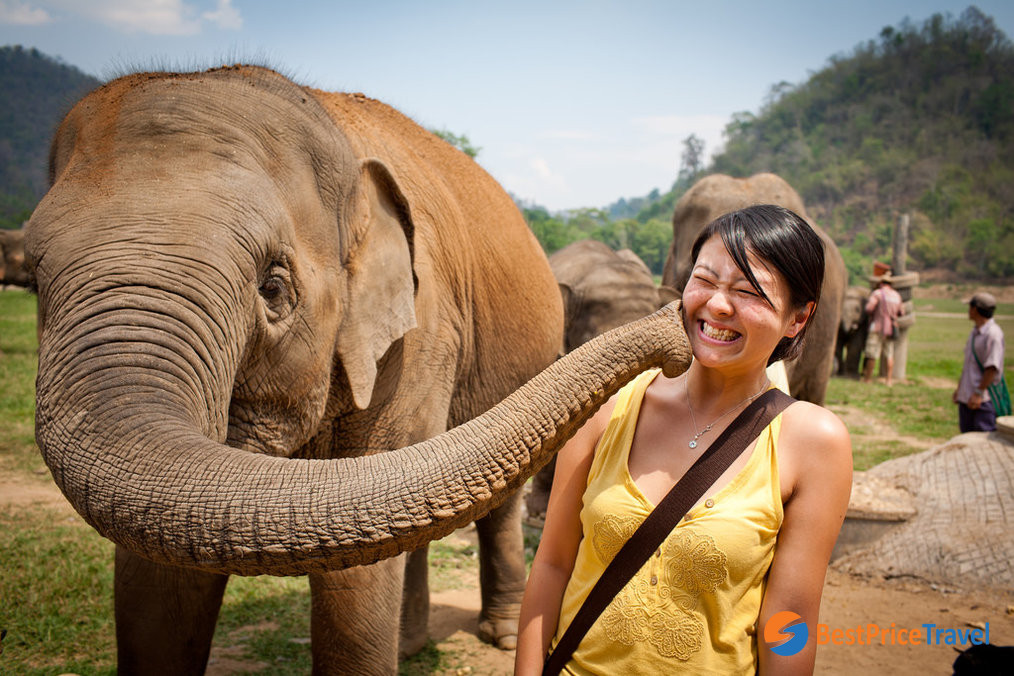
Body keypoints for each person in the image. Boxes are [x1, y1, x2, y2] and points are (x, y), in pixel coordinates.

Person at [515, 205, 852, 675]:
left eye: (747, 291)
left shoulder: (813, 442)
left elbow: (790, 618)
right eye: (705, 280)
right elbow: (552, 565)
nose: (716, 304)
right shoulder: (607, 406)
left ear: (798, 318)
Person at [953, 292, 1005, 432]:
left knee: (982, 443)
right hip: (968, 397)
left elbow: (991, 368)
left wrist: (978, 393)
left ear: (975, 309)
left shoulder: (993, 334)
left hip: (983, 400)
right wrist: (960, 389)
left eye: (970, 307)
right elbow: (969, 365)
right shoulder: (975, 332)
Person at [862, 275, 903, 386]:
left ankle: (868, 379)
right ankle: (888, 380)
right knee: (889, 354)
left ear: (881, 283)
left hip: (877, 327)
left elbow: (869, 308)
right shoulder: (896, 295)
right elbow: (901, 312)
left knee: (872, 353)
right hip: (891, 329)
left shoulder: (877, 293)